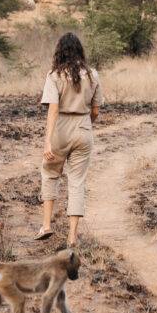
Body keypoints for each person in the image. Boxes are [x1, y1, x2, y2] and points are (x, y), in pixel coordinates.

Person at [37, 32, 103, 247]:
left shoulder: (54, 75)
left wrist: (47, 141)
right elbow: (96, 110)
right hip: (83, 127)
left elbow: (53, 110)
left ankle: (46, 225)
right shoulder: (92, 75)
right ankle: (72, 237)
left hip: (61, 129)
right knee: (77, 183)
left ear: (60, 51)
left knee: (50, 174)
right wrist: (86, 126)